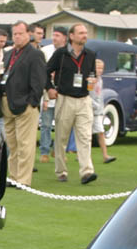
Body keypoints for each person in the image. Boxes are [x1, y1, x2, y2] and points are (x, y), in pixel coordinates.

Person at [47, 22, 98, 184]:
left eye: (86, 32)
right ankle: (61, 171)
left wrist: (93, 80)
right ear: (71, 36)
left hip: (84, 99)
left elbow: (92, 73)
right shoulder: (61, 54)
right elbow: (45, 71)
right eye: (81, 33)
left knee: (85, 136)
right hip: (65, 98)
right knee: (61, 137)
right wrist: (49, 88)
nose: (85, 35)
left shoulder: (90, 54)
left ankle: (86, 172)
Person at [1, 20, 46, 187]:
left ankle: (23, 179)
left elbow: (39, 82)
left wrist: (31, 103)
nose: (17, 37)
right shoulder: (9, 54)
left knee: (25, 143)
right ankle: (13, 176)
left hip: (25, 105)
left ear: (29, 34)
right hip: (8, 103)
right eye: (15, 34)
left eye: (20, 33)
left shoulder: (35, 55)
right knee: (12, 142)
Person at [38, 26, 67, 163]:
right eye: (53, 35)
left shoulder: (69, 52)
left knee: (62, 125)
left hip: (63, 95)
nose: (54, 38)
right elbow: (42, 73)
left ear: (65, 38)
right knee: (46, 125)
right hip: (47, 93)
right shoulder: (45, 51)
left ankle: (58, 151)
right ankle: (44, 151)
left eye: (57, 35)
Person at [90, 58, 115, 164]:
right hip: (91, 109)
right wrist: (95, 105)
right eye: (98, 68)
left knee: (99, 132)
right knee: (89, 134)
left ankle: (105, 155)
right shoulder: (91, 80)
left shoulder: (100, 80)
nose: (100, 70)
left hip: (98, 110)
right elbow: (89, 95)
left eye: (102, 68)